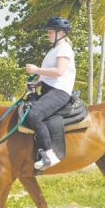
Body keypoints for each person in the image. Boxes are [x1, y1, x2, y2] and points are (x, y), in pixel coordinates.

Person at [24, 17, 76, 170]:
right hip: (50, 88)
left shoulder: (64, 49)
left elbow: (59, 72)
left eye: (50, 31)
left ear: (61, 32)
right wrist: (38, 82)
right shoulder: (54, 49)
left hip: (59, 91)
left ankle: (50, 154)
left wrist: (36, 70)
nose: (48, 34)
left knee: (34, 115)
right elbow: (50, 74)